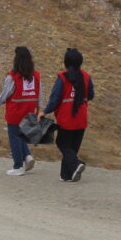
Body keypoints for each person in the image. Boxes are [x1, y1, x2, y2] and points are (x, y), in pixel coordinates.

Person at [44, 48, 93, 182]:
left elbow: (55, 98)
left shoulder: (62, 77)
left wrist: (45, 111)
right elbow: (91, 95)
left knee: (62, 144)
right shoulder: (86, 76)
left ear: (66, 62)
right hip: (81, 118)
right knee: (72, 149)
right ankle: (66, 175)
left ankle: (77, 164)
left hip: (66, 119)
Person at [0, 46, 40, 176]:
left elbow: (5, 93)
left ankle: (18, 166)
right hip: (30, 111)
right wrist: (40, 109)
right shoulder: (36, 75)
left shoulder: (13, 76)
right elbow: (40, 93)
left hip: (16, 112)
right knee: (21, 135)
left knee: (14, 137)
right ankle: (27, 156)